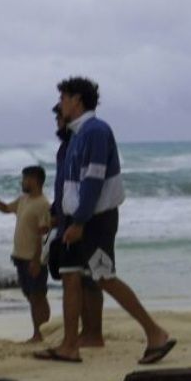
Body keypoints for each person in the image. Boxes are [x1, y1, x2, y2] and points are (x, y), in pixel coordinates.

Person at [35, 76, 175, 365]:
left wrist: (80, 222)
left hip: (94, 220)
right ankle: (69, 346)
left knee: (103, 276)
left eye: (63, 98)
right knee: (71, 277)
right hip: (75, 219)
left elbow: (94, 180)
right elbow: (70, 185)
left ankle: (156, 334)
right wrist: (61, 218)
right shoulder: (76, 136)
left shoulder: (96, 132)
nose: (60, 105)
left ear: (77, 100)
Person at [47, 102, 104, 346]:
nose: (58, 123)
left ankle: (92, 333)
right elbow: (64, 185)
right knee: (79, 277)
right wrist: (54, 211)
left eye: (60, 118)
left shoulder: (84, 140)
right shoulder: (65, 148)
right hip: (67, 217)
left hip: (83, 218)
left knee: (91, 277)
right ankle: (86, 333)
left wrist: (79, 218)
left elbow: (90, 182)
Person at [0, 166, 52, 342]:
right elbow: (5, 208)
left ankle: (39, 333)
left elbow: (43, 235)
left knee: (37, 296)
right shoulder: (24, 199)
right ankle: (44, 330)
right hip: (20, 256)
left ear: (35, 180)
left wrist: (37, 260)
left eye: (25, 178)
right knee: (31, 295)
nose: (22, 182)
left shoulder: (43, 204)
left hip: (33, 259)